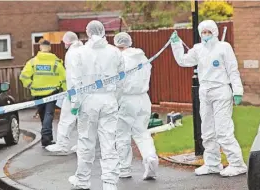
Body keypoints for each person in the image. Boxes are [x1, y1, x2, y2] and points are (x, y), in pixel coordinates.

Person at [170, 20, 247, 177]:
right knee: (207, 131)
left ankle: (237, 164)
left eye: (208, 32)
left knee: (223, 130)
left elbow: (233, 70)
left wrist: (237, 91)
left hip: (221, 91)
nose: (205, 35)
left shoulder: (224, 47)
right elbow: (183, 61)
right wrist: (176, 44)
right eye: (203, 32)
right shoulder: (198, 49)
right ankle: (212, 163)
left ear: (214, 32)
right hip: (205, 92)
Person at [67, 20, 124, 190]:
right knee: (109, 143)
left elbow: (75, 81)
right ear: (103, 32)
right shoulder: (114, 52)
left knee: (86, 142)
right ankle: (110, 183)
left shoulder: (79, 53)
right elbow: (121, 79)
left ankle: (83, 180)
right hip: (109, 100)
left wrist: (75, 103)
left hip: (87, 101)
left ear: (88, 32)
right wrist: (115, 99)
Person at [113, 32, 159, 180]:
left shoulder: (121, 59)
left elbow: (119, 84)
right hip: (143, 98)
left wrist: (115, 101)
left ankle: (124, 169)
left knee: (122, 135)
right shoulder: (143, 58)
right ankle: (150, 157)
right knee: (142, 132)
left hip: (127, 99)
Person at [20, 39, 66, 147]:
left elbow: (23, 76)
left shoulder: (33, 62)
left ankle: (46, 137)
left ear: (40, 47)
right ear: (49, 48)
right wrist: (65, 90)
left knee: (43, 115)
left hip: (37, 93)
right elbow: (64, 79)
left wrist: (30, 85)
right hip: (52, 93)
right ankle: (46, 139)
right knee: (48, 115)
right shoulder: (56, 63)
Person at [45, 32, 83, 154]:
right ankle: (82, 145)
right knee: (83, 120)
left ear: (67, 42)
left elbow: (73, 75)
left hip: (73, 91)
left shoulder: (71, 54)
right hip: (85, 91)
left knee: (66, 119)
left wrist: (72, 93)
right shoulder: (83, 51)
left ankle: (62, 145)